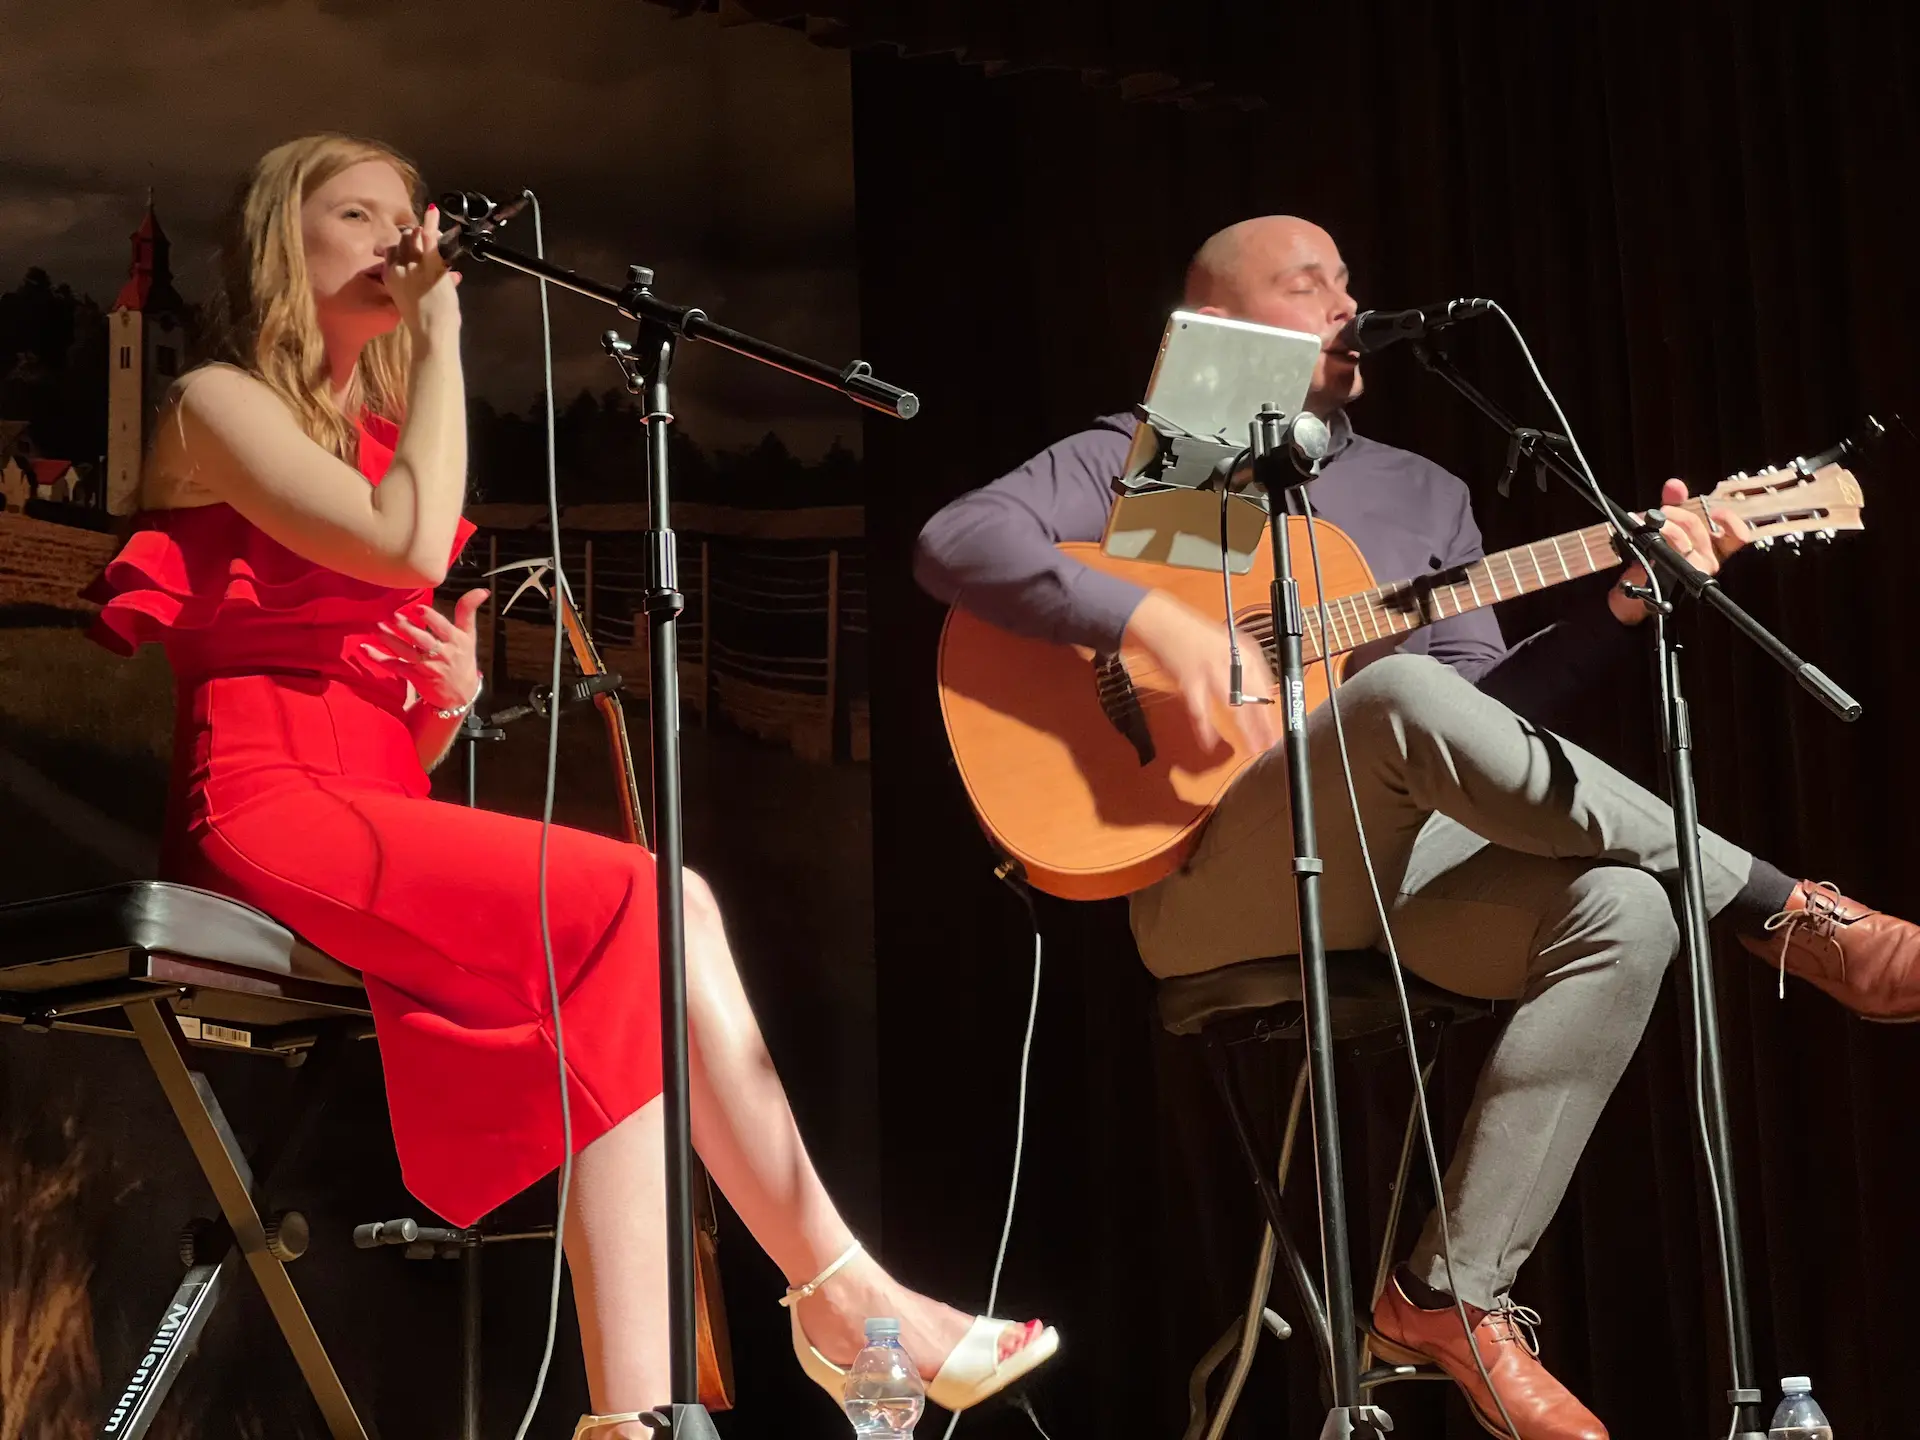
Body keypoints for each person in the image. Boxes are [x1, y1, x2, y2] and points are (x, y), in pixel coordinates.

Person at [85, 133, 1056, 1438]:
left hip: (370, 805)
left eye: (406, 214)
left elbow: (405, 735)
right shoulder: (215, 402)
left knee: (640, 949)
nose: (397, 236)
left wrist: (444, 701)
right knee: (655, 903)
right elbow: (405, 546)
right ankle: (844, 1298)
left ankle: (644, 1415)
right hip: (259, 808)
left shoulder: (375, 440)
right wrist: (445, 332)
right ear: (279, 242)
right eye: (356, 213)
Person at [914, 214, 1919, 1440]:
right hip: (1204, 873)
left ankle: (1447, 1297)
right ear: (1216, 325)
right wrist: (1149, 619)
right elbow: (957, 543)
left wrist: (1621, 599)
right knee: (1392, 690)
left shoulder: (1416, 493)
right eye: (1308, 285)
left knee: (1627, 906)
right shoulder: (1170, 458)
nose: (1347, 304)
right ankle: (1781, 910)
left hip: (1400, 876)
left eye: (1348, 282)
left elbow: (1478, 723)